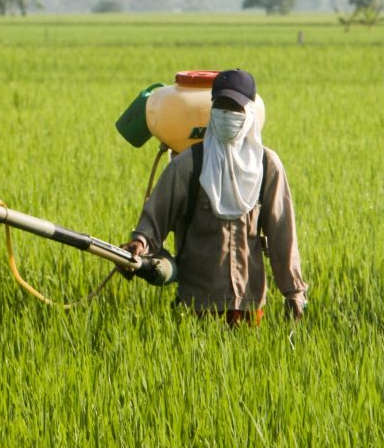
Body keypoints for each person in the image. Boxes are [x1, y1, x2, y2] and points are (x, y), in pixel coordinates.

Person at [122, 69, 307, 324]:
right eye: (220, 105)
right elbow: (154, 220)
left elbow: (282, 233)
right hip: (197, 303)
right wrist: (139, 244)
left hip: (249, 304)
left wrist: (294, 291)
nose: (226, 114)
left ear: (250, 113)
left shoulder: (267, 166)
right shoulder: (188, 164)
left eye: (234, 107)